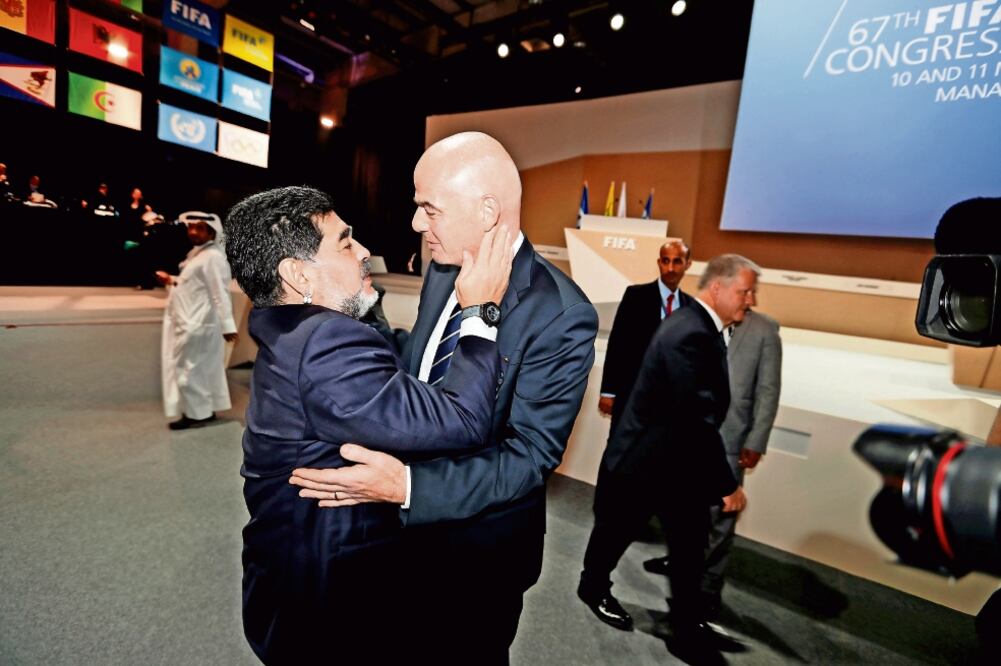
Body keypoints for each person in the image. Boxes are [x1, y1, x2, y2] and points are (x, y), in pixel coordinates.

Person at [291, 131, 599, 661]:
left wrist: (408, 485)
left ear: (487, 211)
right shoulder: (443, 264)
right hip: (394, 534)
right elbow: (422, 365)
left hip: (475, 560)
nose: (415, 224)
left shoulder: (563, 316)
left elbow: (529, 456)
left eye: (428, 208)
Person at [223, 186, 512, 664]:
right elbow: (463, 420)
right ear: (296, 273)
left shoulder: (287, 321)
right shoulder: (323, 345)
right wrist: (480, 313)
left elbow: (381, 356)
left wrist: (363, 298)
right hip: (327, 605)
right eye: (344, 243)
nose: (363, 253)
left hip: (290, 579)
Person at [578, 254, 758, 660]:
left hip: (676, 466)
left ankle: (686, 626)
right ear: (718, 288)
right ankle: (592, 588)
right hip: (645, 463)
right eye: (745, 291)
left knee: (689, 547)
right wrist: (727, 484)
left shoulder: (699, 326)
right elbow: (694, 416)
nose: (751, 300)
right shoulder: (690, 332)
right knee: (615, 533)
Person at [643, 305, 782, 620]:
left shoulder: (765, 330)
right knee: (685, 510)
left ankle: (708, 589)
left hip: (731, 441)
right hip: (690, 436)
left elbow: (768, 391)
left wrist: (755, 440)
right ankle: (680, 563)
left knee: (721, 520)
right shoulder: (699, 322)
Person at [599, 239, 693, 432]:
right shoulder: (636, 296)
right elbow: (618, 343)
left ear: (687, 265)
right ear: (659, 262)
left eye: (677, 262)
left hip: (668, 403)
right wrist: (608, 391)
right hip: (631, 394)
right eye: (665, 261)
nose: (670, 268)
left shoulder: (690, 307)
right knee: (618, 455)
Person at [157, 213, 238, 430]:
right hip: (190, 320)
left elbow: (220, 293)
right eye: (190, 227)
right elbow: (192, 285)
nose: (193, 232)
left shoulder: (212, 257)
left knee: (189, 370)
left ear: (211, 231)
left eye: (199, 228)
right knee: (200, 369)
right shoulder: (198, 255)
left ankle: (198, 415)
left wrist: (227, 325)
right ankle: (204, 410)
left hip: (198, 323)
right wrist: (171, 280)